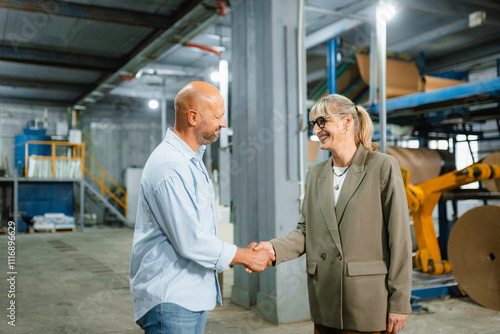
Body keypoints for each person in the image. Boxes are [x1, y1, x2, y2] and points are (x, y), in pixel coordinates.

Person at [254, 94, 412, 334]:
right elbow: (306, 231)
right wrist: (273, 249)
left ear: (347, 122)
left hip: (367, 301)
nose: (316, 130)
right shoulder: (315, 174)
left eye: (321, 122)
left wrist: (399, 302)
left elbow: (399, 239)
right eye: (312, 124)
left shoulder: (382, 167)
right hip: (325, 300)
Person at [130, 81, 275, 334]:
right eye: (218, 116)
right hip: (172, 298)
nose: (224, 123)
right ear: (193, 117)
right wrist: (247, 256)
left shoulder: (190, 160)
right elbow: (192, 241)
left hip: (188, 296)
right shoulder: (170, 166)